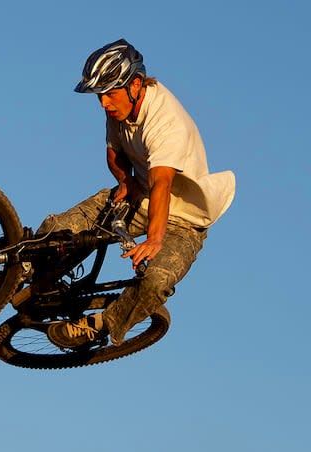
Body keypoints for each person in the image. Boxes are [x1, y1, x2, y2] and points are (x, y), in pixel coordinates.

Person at [44, 38, 236, 348]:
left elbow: (162, 184)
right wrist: (125, 181)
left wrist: (155, 239)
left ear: (135, 84)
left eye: (110, 95)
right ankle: (14, 273)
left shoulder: (166, 122)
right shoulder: (118, 107)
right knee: (60, 227)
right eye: (99, 97)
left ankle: (101, 324)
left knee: (156, 282)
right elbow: (115, 154)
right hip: (141, 196)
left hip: (183, 220)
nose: (105, 104)